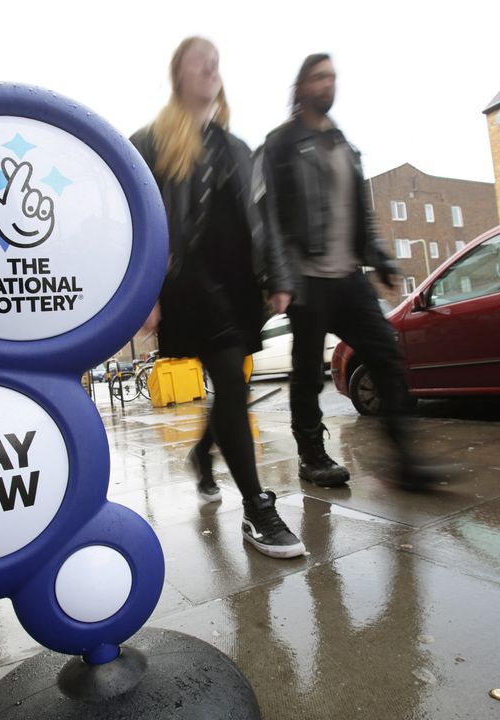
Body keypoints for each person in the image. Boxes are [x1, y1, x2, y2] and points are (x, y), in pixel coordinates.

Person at [131, 37, 305, 558]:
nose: (210, 67)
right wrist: (142, 292)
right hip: (186, 284)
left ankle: (205, 456)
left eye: (215, 62)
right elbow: (133, 219)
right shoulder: (149, 141)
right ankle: (256, 508)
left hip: (237, 285)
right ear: (177, 75)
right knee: (231, 380)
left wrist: (277, 274)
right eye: (197, 61)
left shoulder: (236, 148)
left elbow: (263, 219)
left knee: (233, 386)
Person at [255, 53, 439, 490]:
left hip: (349, 277)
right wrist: (278, 277)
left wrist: (381, 259)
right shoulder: (281, 143)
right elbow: (268, 217)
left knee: (387, 355)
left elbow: (360, 214)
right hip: (307, 278)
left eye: (333, 76)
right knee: (306, 372)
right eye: (319, 77)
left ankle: (404, 460)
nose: (328, 83)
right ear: (300, 88)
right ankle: (312, 457)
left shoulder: (343, 145)